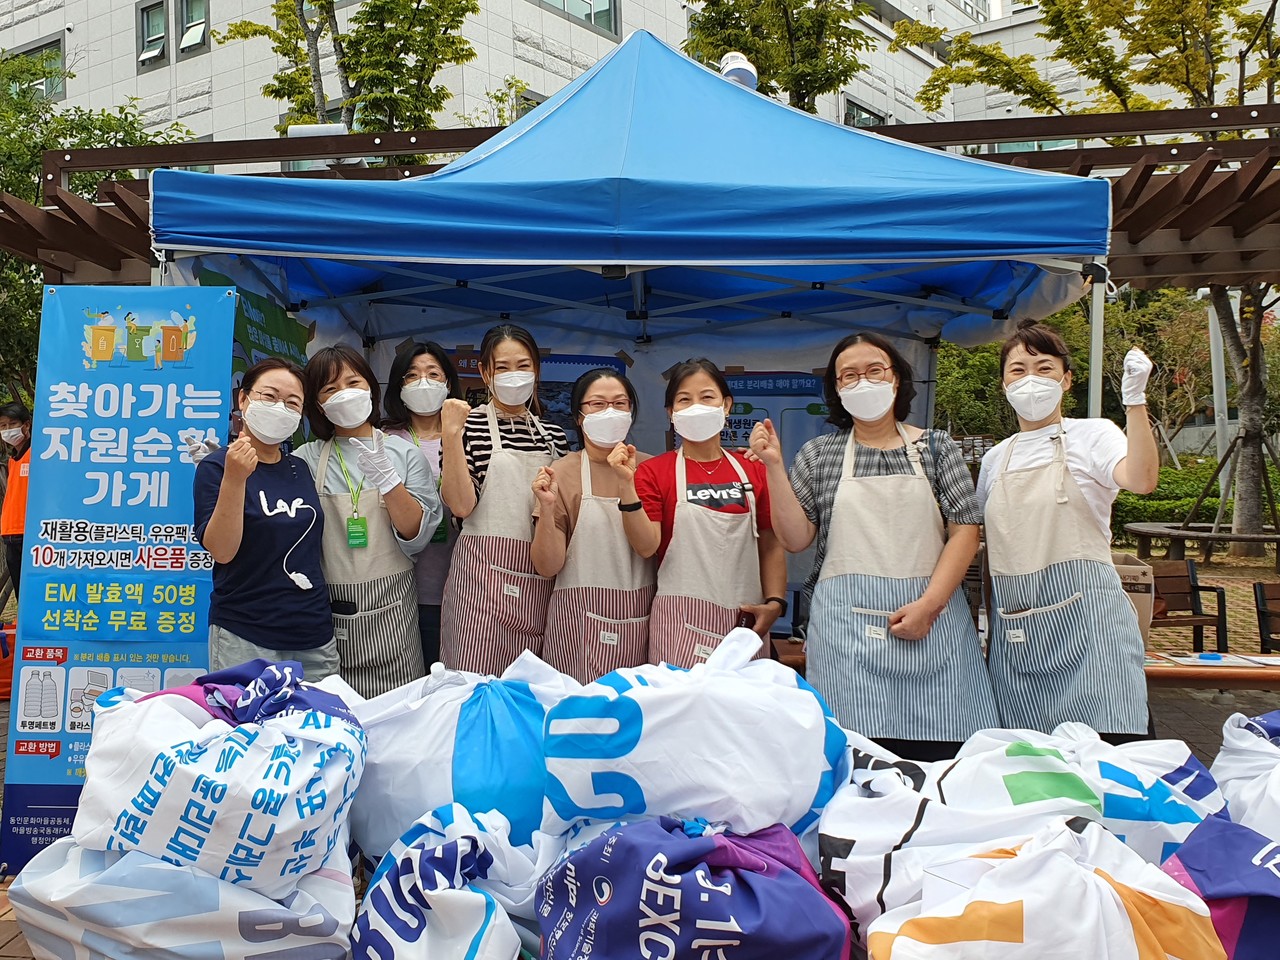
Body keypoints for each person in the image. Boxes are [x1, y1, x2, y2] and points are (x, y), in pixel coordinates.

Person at [753, 333, 998, 760]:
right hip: (844, 634)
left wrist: (930, 606)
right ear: (837, 389)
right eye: (849, 375)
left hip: (932, 623)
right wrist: (774, 466)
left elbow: (965, 530)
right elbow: (795, 539)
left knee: (946, 756)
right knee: (854, 757)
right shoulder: (819, 454)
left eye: (874, 371)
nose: (862, 382)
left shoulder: (935, 447)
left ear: (896, 379)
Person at [976, 320, 1158, 742]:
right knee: (1029, 758)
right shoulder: (995, 459)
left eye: (1044, 368)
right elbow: (988, 548)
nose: (1031, 379)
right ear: (1004, 384)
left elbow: (1141, 479)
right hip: (1017, 632)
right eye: (1018, 369)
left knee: (1109, 751)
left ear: (1066, 379)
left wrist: (1135, 402)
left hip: (1090, 629)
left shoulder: (1093, 434)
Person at [295, 345, 443, 698]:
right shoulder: (306, 459)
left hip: (394, 609)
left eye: (353, 383)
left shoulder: (404, 453)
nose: (344, 394)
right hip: (330, 608)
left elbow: (417, 535)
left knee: (400, 711)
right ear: (318, 404)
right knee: (335, 706)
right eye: (330, 388)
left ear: (370, 389)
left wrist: (391, 484)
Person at [616, 358, 786, 667]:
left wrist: (775, 602)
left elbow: (770, 543)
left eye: (707, 397)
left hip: (747, 622)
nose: (696, 407)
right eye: (684, 399)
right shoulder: (654, 471)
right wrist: (626, 487)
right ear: (671, 413)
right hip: (679, 623)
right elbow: (646, 546)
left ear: (726, 405)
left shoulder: (753, 468)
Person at [193, 359, 338, 678]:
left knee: (317, 712)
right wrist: (235, 479)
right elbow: (222, 550)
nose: (280, 408)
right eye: (269, 396)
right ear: (243, 399)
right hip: (246, 633)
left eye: (292, 403)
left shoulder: (300, 468)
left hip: (313, 633)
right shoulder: (216, 467)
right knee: (247, 712)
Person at [439, 324, 570, 674]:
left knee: (529, 688)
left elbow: (561, 515)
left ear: (536, 370)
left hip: (540, 581)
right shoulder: (469, 427)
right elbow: (460, 506)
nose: (515, 375)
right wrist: (450, 435)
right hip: (480, 586)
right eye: (503, 367)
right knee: (474, 684)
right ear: (485, 373)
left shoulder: (554, 436)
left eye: (523, 366)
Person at [531, 369, 656, 683]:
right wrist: (547, 509)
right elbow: (547, 566)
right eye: (598, 404)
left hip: (639, 618)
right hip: (575, 624)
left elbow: (652, 548)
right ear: (579, 416)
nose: (609, 412)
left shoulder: (652, 469)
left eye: (619, 404)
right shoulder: (562, 472)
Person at [382, 341, 463, 670]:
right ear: (399, 386)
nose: (423, 382)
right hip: (400, 592)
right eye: (412, 376)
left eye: (433, 374)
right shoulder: (385, 440)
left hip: (464, 588)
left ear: (448, 383)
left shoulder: (467, 434)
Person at [0, 402, 32, 601]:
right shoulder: (13, 459)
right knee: (22, 594)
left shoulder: (37, 454)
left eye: (12, 424)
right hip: (10, 533)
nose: (7, 430)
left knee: (31, 593)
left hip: (28, 533)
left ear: (26, 425)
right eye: (3, 426)